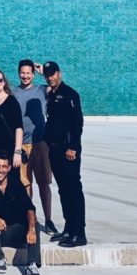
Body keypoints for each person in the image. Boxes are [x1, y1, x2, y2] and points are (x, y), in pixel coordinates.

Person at [43, 61, 86, 247]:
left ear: (59, 73)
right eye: (46, 75)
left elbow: (78, 123)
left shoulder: (70, 94)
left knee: (73, 190)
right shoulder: (51, 94)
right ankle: (69, 229)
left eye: (52, 74)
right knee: (63, 190)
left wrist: (73, 147)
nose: (50, 77)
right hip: (54, 149)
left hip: (68, 149)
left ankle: (79, 232)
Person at [0, 152, 41, 275]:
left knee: (34, 222)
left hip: (15, 233)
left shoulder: (16, 185)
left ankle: (32, 265)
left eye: (3, 167)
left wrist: (31, 229)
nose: (0, 170)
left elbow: (29, 208)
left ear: (8, 168)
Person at [18, 60, 55, 235]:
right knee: (25, 184)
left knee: (43, 184)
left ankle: (48, 220)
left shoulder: (41, 90)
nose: (25, 76)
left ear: (33, 74)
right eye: (22, 73)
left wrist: (43, 73)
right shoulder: (14, 93)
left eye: (28, 73)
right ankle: (29, 218)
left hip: (40, 144)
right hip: (22, 144)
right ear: (19, 73)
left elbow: (56, 87)